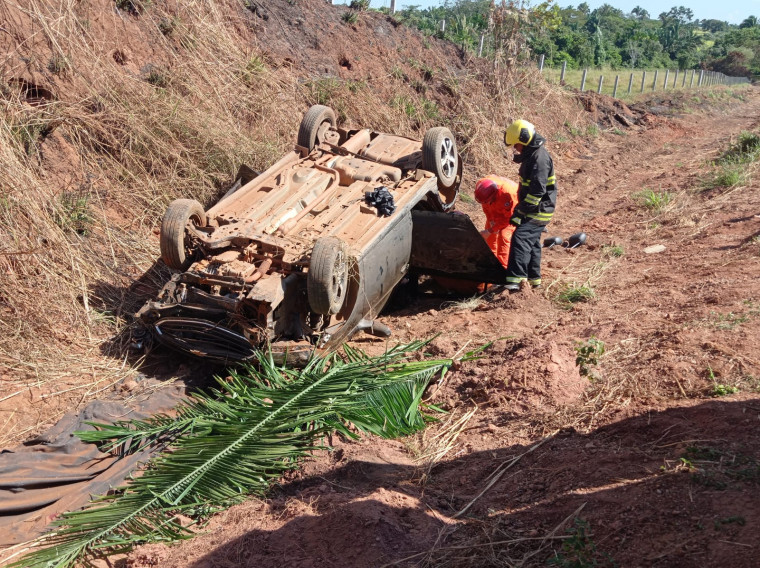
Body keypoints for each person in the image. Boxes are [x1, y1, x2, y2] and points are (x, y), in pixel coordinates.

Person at [502, 119, 557, 292]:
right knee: (532, 243)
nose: (515, 149)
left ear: (525, 141)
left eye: (516, 145)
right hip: (537, 208)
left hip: (539, 209)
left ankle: (516, 283)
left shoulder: (539, 159)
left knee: (520, 239)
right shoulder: (533, 156)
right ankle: (534, 281)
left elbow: (537, 192)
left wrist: (521, 211)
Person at [474, 176, 519, 268]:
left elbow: (509, 218)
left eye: (487, 201)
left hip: (511, 214)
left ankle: (502, 268)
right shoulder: (481, 186)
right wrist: (491, 222)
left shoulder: (508, 196)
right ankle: (491, 263)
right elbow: (486, 206)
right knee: (489, 236)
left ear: (493, 196)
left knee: (503, 236)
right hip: (496, 209)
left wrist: (493, 229)